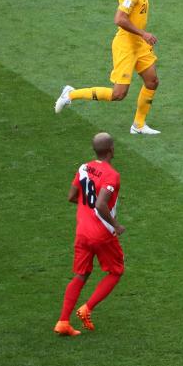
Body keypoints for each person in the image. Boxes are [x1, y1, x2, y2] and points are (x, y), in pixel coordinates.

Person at [54, 0, 161, 135]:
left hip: (139, 45)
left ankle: (139, 125)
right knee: (118, 94)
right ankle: (70, 94)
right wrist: (144, 33)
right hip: (126, 45)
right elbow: (119, 19)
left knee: (152, 81)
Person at [54, 133, 126, 336]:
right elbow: (101, 204)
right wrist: (116, 225)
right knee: (116, 271)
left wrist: (87, 207)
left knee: (81, 274)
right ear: (111, 150)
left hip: (82, 232)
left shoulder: (83, 168)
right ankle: (87, 308)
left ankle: (63, 322)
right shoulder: (111, 175)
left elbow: (71, 197)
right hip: (101, 233)